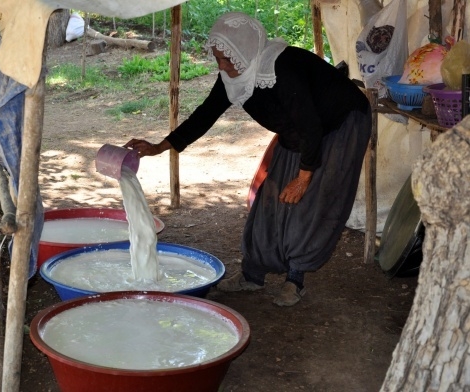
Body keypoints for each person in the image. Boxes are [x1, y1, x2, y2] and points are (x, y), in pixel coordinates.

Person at [125, 12, 371, 306]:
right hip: (298, 131)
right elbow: (205, 114)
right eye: (218, 57)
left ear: (245, 50)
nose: (221, 65)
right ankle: (252, 275)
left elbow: (311, 126)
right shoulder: (235, 75)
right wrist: (160, 146)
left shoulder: (282, 68)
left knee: (311, 202)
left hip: (339, 123)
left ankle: (296, 279)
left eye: (226, 59)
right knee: (269, 199)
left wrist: (304, 177)